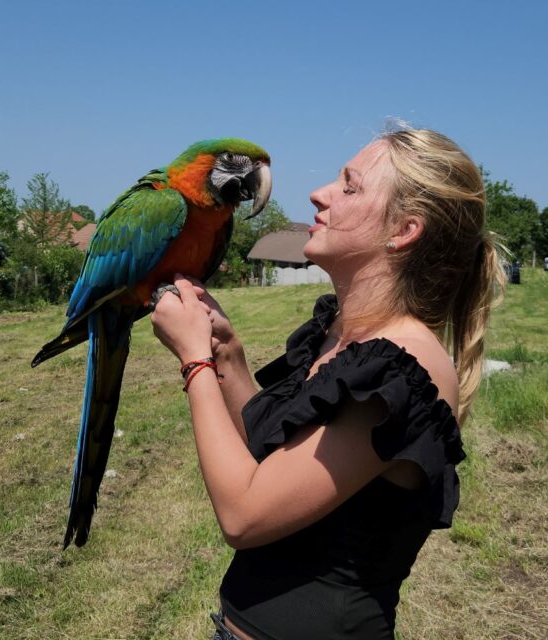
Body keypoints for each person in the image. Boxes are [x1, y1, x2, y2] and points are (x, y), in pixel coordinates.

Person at [151, 127, 504, 639]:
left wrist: (195, 363)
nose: (320, 193)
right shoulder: (340, 335)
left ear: (403, 230)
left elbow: (243, 515)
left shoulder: (401, 369)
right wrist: (227, 356)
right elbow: (271, 459)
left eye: (350, 186)